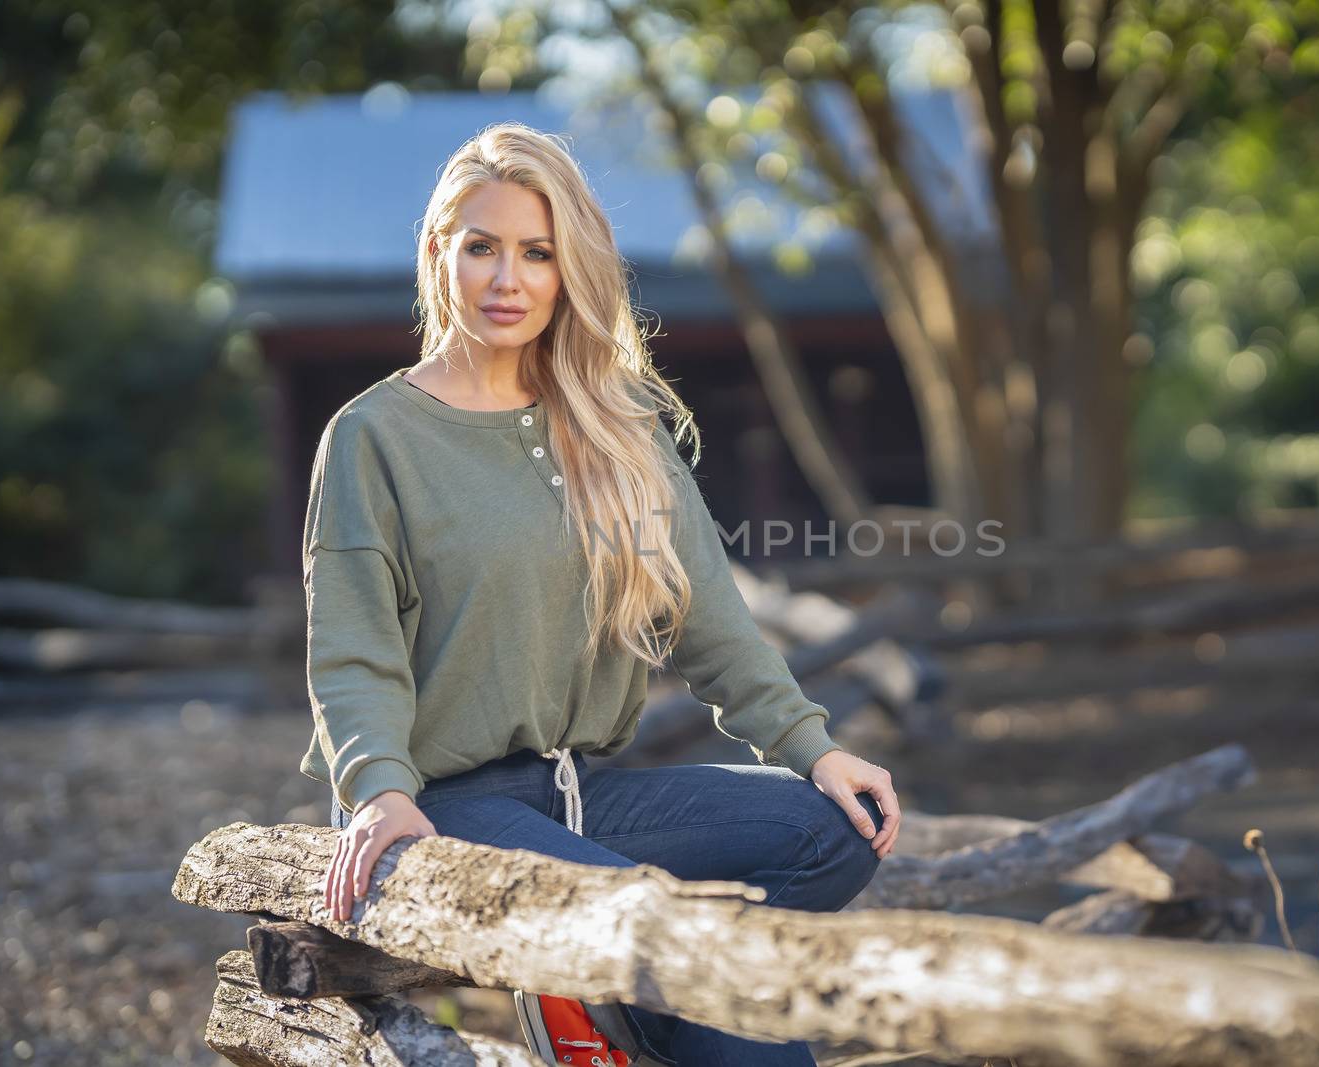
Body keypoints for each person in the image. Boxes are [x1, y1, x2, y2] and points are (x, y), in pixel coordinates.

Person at [299, 121, 902, 1066]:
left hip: (582, 795)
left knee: (839, 832)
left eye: (538, 253)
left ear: (568, 266)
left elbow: (710, 618)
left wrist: (813, 748)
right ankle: (653, 1008)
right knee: (696, 976)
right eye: (482, 247)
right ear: (437, 253)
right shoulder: (373, 436)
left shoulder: (615, 426)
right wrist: (376, 789)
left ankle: (613, 1010)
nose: (509, 280)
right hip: (442, 805)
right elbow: (352, 647)